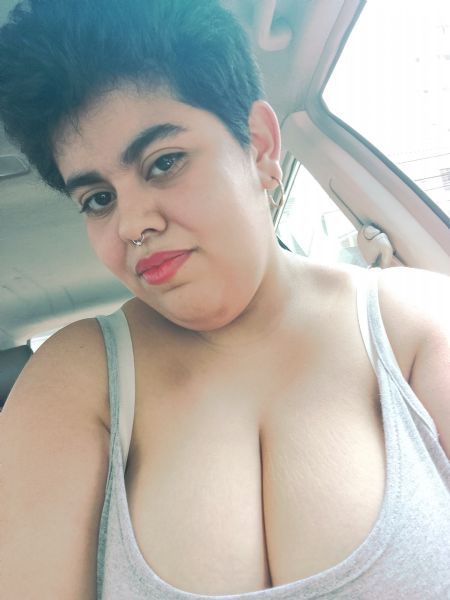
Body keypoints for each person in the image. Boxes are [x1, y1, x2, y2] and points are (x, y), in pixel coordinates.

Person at [0, 1, 449, 598]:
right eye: (98, 199)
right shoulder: (73, 383)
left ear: (259, 147)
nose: (132, 223)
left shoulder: (415, 323)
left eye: (164, 163)